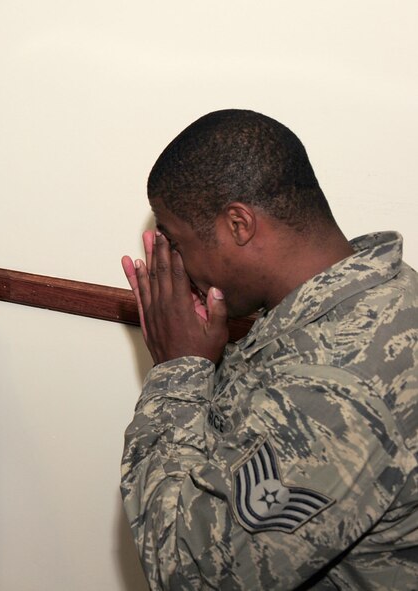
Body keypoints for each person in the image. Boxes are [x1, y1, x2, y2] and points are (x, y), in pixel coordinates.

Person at [120, 109, 418, 589]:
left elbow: (184, 569)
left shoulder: (336, 390)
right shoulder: (370, 294)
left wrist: (178, 371)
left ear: (238, 224)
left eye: (177, 242)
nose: (177, 264)